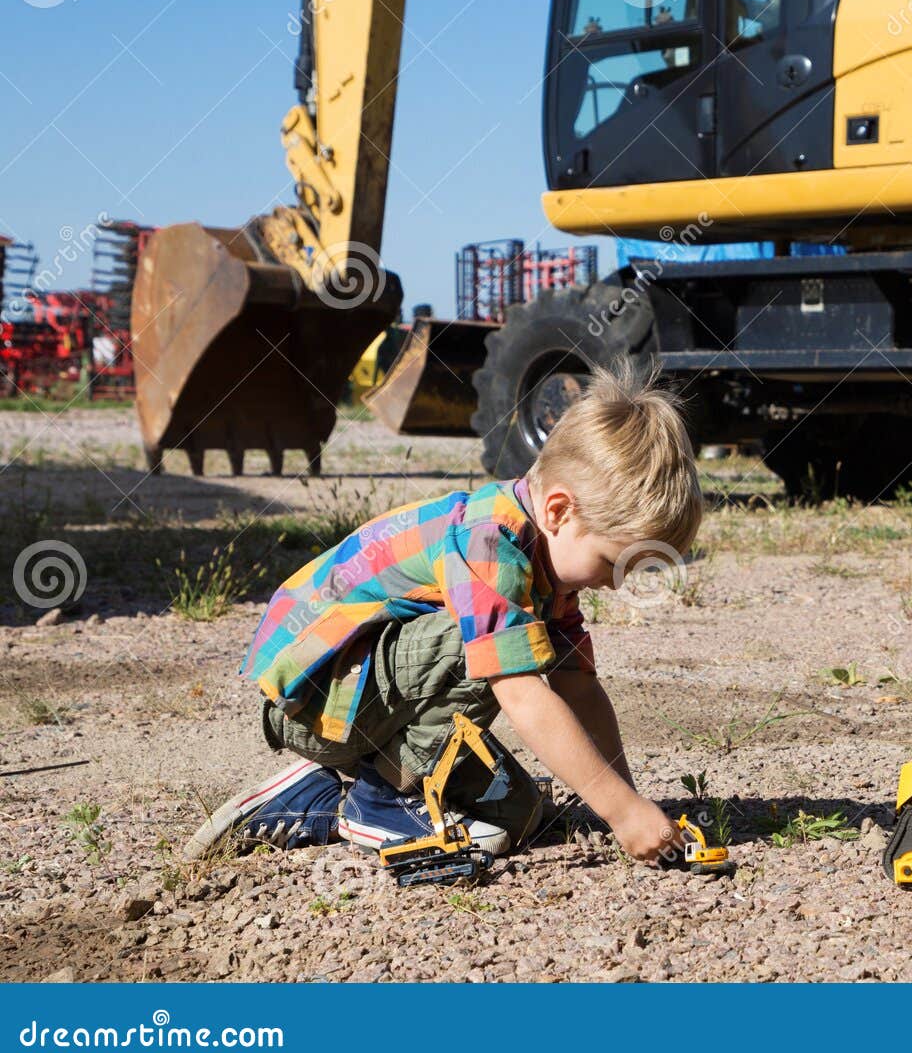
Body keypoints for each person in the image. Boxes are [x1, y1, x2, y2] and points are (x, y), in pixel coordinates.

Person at [183, 361, 703, 869]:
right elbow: (520, 692)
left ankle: (318, 800)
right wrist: (622, 812)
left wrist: (628, 802)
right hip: (311, 697)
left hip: (367, 700)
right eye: (613, 562)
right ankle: (385, 796)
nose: (615, 583)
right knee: (479, 641)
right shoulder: (488, 542)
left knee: (518, 819)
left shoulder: (550, 567)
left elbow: (579, 688)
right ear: (559, 511)